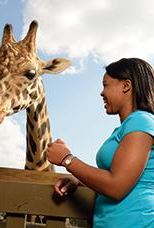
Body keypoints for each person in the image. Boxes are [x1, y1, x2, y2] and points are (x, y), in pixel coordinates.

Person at [47, 58, 154, 228]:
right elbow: (119, 175)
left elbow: (116, 186)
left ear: (126, 86)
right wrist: (79, 180)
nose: (101, 93)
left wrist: (67, 159)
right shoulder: (124, 128)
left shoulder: (141, 121)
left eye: (106, 85)